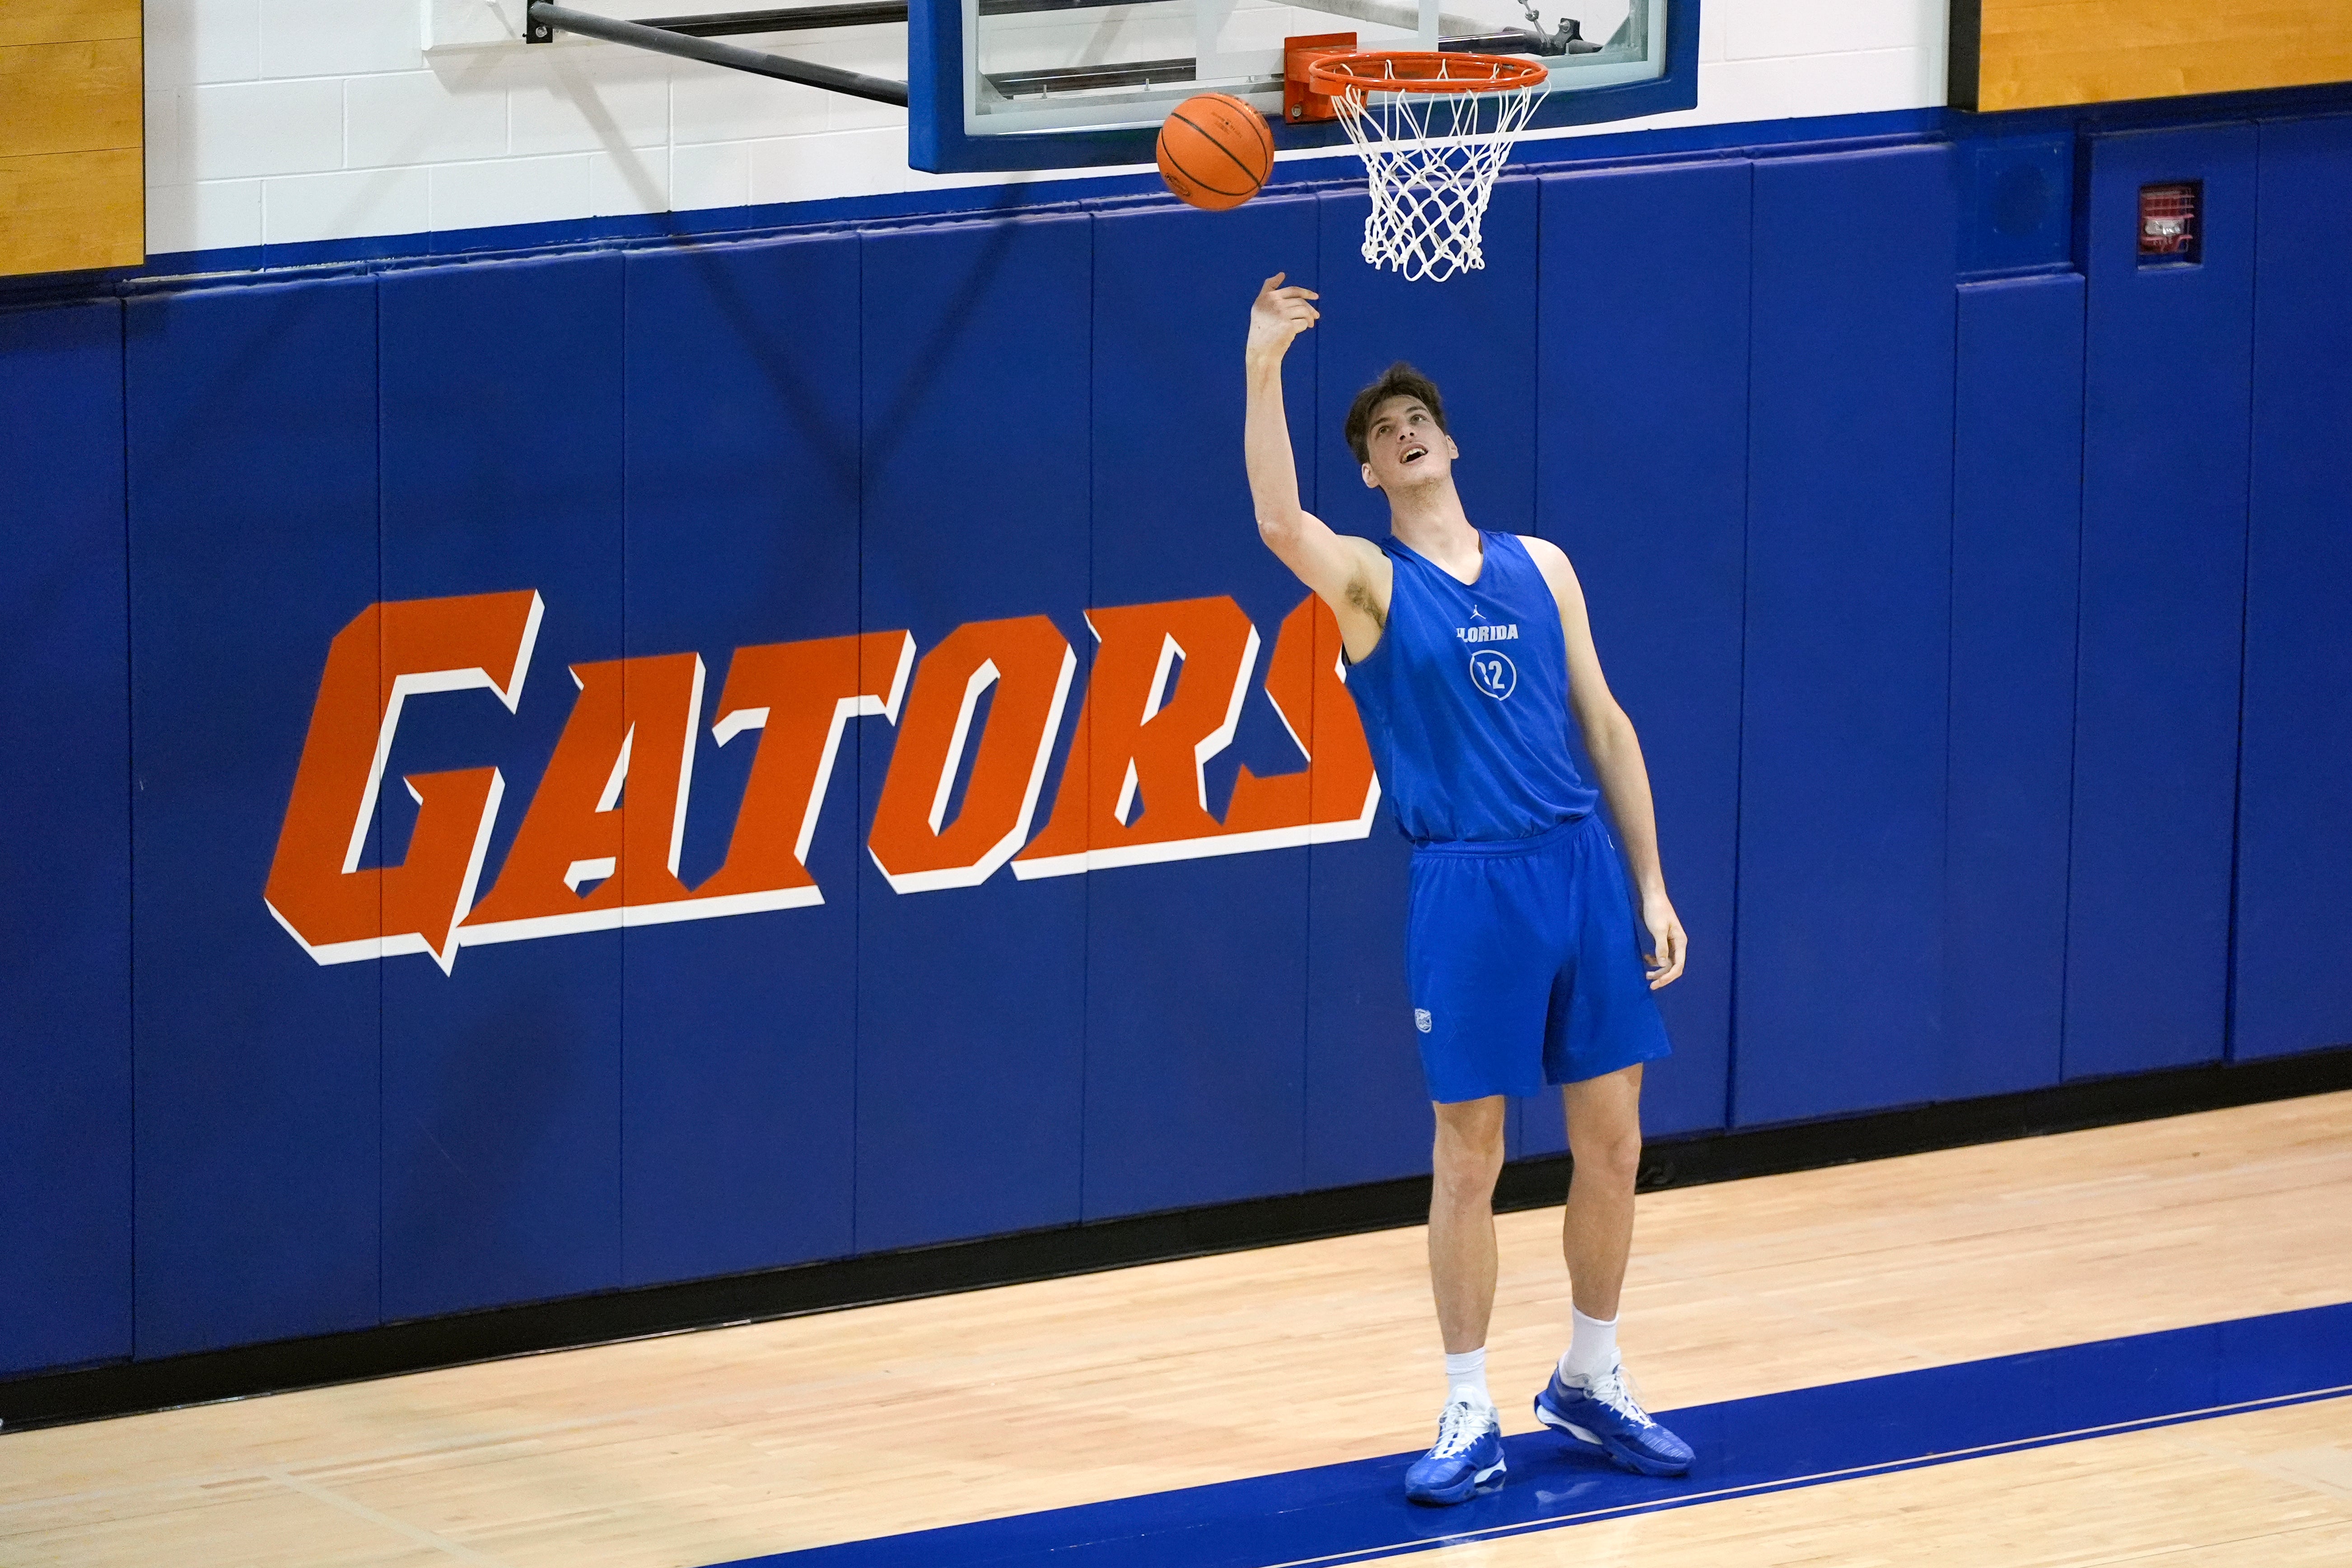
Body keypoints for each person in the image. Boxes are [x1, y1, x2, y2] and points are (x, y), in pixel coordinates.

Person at [1241, 273, 1694, 1505]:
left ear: (1452, 444)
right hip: (1468, 886)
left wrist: (1651, 883)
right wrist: (1264, 359)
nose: (1405, 430)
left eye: (1417, 418)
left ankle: (1590, 1377)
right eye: (1383, 433)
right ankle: (1466, 1406)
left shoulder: (1543, 566)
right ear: (1376, 479)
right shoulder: (1371, 585)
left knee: (1613, 1146)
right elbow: (1281, 522)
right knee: (1470, 1154)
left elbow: (1605, 724)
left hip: (1581, 870)